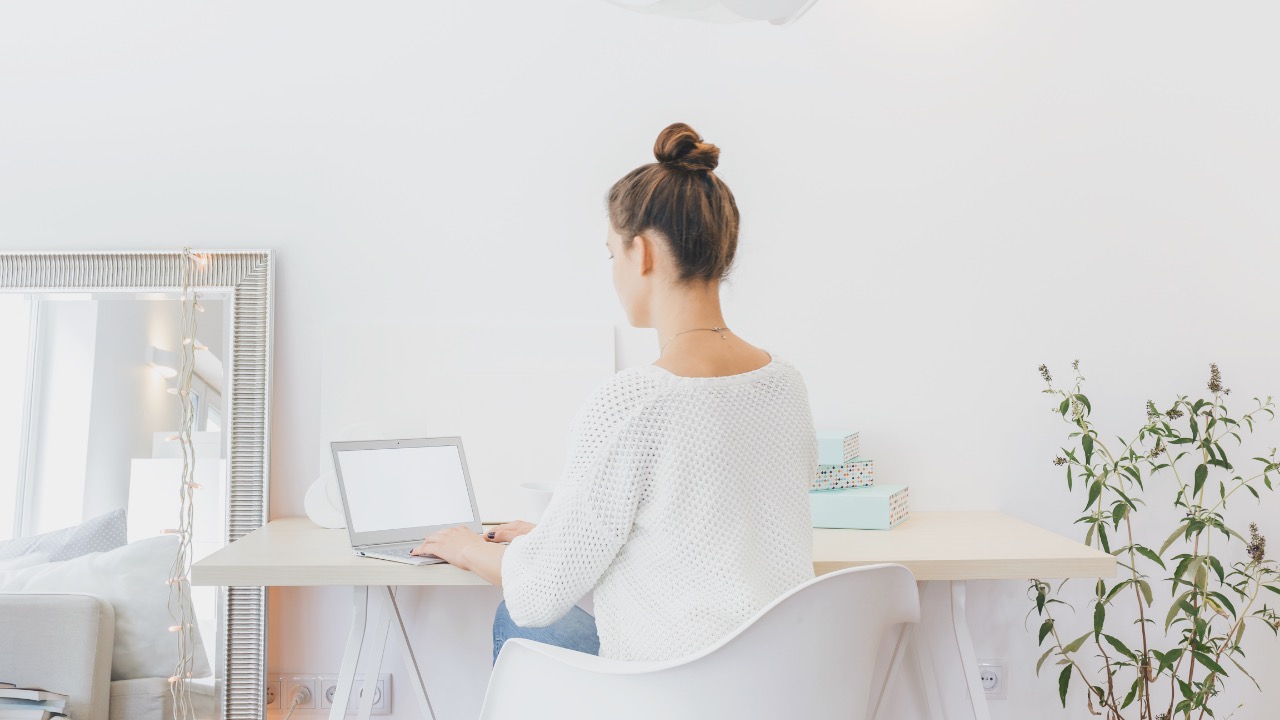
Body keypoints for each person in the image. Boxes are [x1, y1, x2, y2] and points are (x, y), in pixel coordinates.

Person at [413, 122, 818, 665]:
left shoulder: (636, 400)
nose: (613, 272)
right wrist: (560, 537)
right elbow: (708, 532)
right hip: (771, 685)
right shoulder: (784, 384)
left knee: (514, 617)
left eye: (612, 254)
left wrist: (465, 548)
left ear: (643, 253)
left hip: (674, 692)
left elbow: (537, 595)